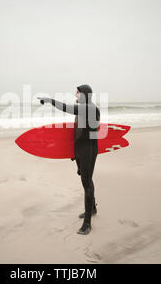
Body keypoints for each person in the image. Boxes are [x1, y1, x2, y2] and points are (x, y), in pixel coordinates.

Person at [38, 85, 100, 235]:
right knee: (86, 180)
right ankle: (92, 209)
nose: (75, 94)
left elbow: (66, 108)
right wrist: (74, 153)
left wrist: (49, 100)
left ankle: (87, 223)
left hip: (88, 149)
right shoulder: (82, 109)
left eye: (77, 92)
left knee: (87, 183)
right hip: (80, 149)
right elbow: (77, 131)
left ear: (85, 94)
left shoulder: (90, 108)